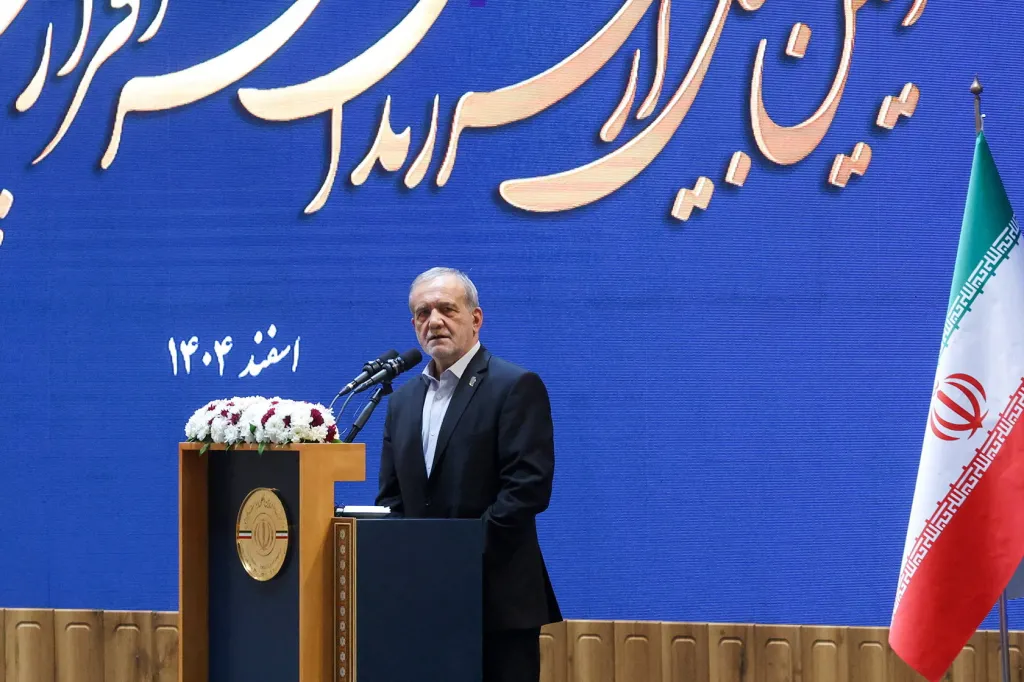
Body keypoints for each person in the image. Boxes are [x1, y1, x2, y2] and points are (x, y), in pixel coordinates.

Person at [376, 266, 562, 682]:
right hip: (423, 601)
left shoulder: (514, 386)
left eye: (447, 309)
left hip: (496, 600)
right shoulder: (401, 402)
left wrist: (456, 554)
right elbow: (391, 498)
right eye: (422, 313)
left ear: (475, 319)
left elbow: (527, 490)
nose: (434, 321)